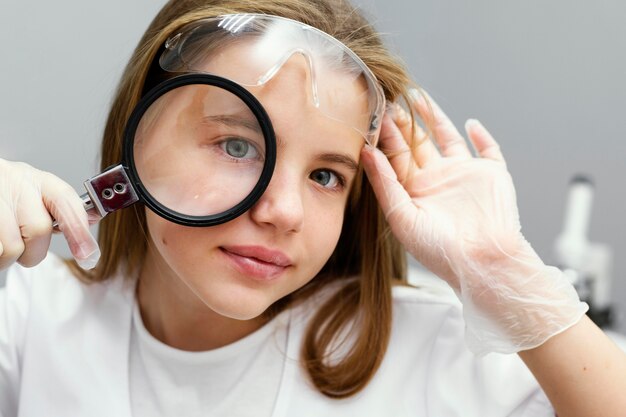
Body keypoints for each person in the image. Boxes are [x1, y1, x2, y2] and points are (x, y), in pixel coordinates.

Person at [1, 0, 625, 416]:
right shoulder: (29, 316)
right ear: (135, 143)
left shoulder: (435, 351)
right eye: (238, 145)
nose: (284, 210)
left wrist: (509, 274)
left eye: (327, 174)